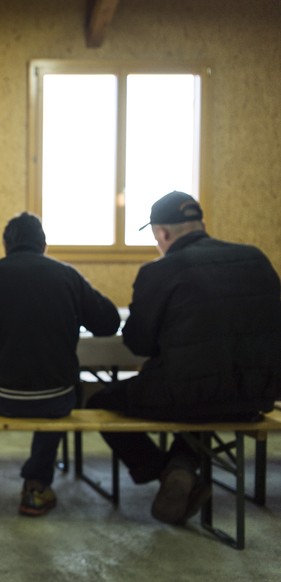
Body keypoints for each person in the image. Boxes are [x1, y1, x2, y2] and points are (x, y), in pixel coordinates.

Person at [87, 191, 281, 525]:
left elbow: (138, 343)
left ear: (162, 233)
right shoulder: (255, 259)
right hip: (255, 396)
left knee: (99, 401)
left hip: (184, 395)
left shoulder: (160, 272)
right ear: (200, 224)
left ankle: (164, 471)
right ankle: (180, 466)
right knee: (210, 402)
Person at [0, 212, 120, 517]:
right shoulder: (67, 275)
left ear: (6, 244)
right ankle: (36, 486)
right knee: (58, 389)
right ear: (44, 244)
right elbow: (109, 322)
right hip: (57, 396)